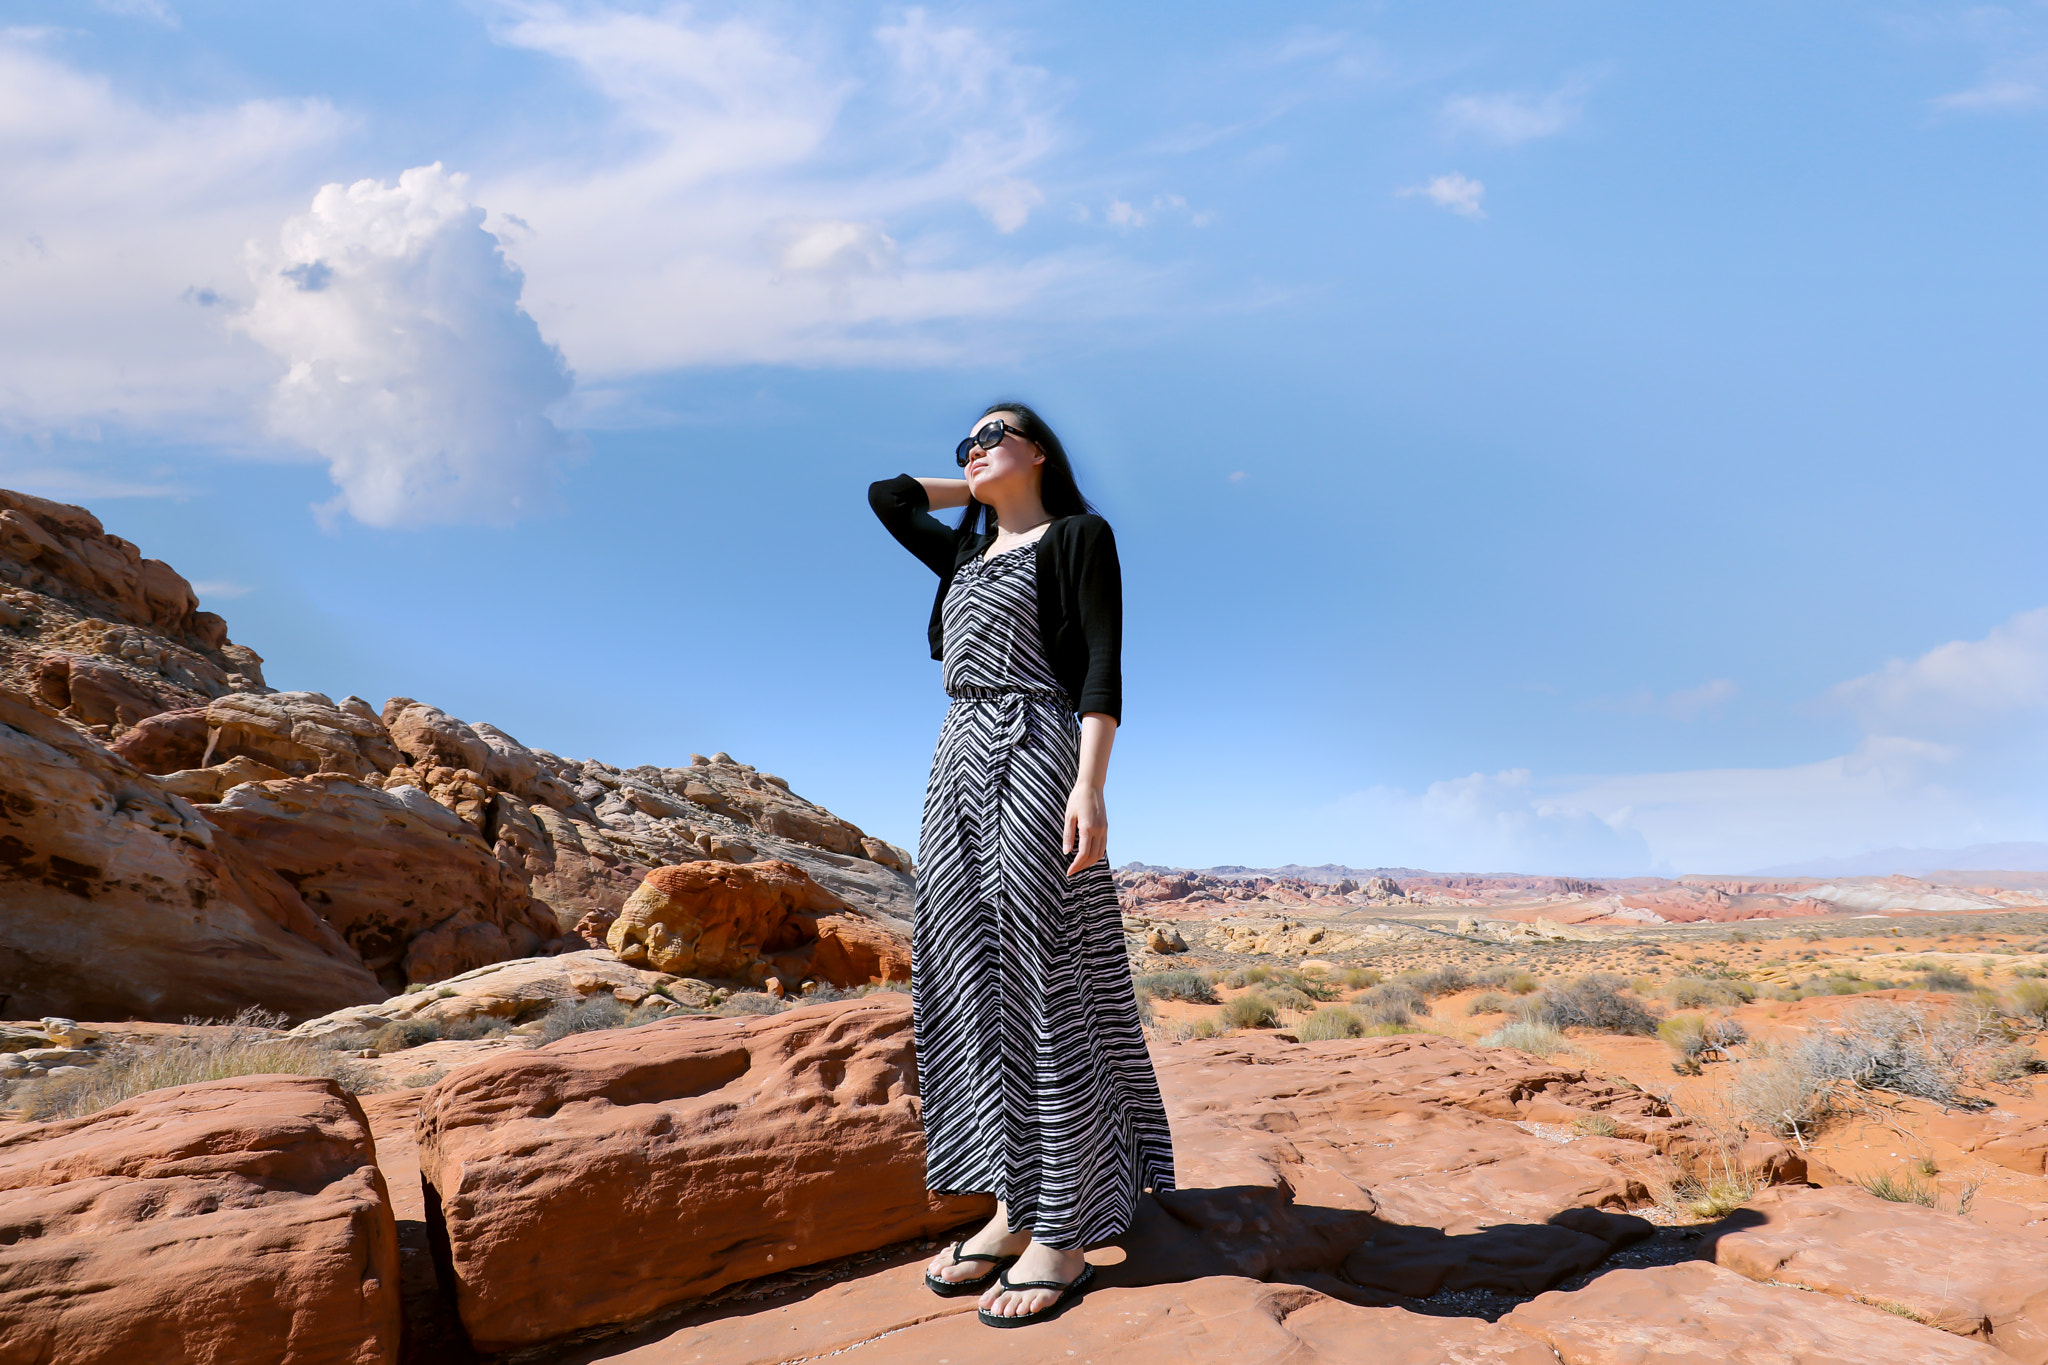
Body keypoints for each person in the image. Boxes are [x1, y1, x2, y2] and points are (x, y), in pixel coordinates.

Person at [867, 403, 1175, 1329]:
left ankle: (1067, 1227)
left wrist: (1091, 789)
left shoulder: (1079, 536)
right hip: (956, 756)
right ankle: (1012, 1204)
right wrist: (984, 485)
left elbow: (1101, 666)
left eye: (998, 431)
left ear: (1042, 449)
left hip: (1039, 747)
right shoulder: (965, 555)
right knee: (968, 981)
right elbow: (885, 496)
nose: (975, 443)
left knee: (1043, 980)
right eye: (966, 438)